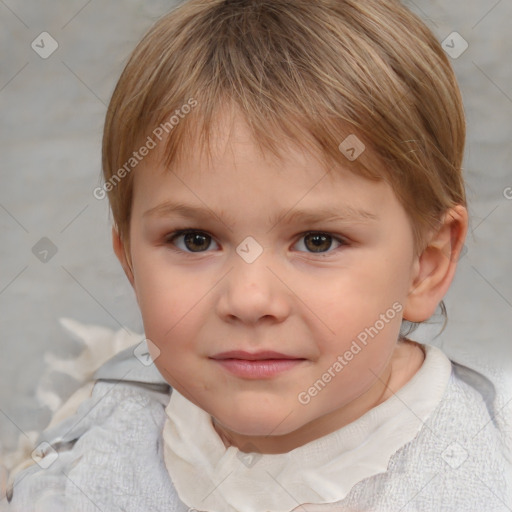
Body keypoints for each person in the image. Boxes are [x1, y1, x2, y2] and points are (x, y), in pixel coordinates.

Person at [5, 0, 511, 510]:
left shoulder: (482, 476)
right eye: (195, 239)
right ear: (130, 262)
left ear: (426, 264)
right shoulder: (85, 472)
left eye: (318, 241)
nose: (249, 299)